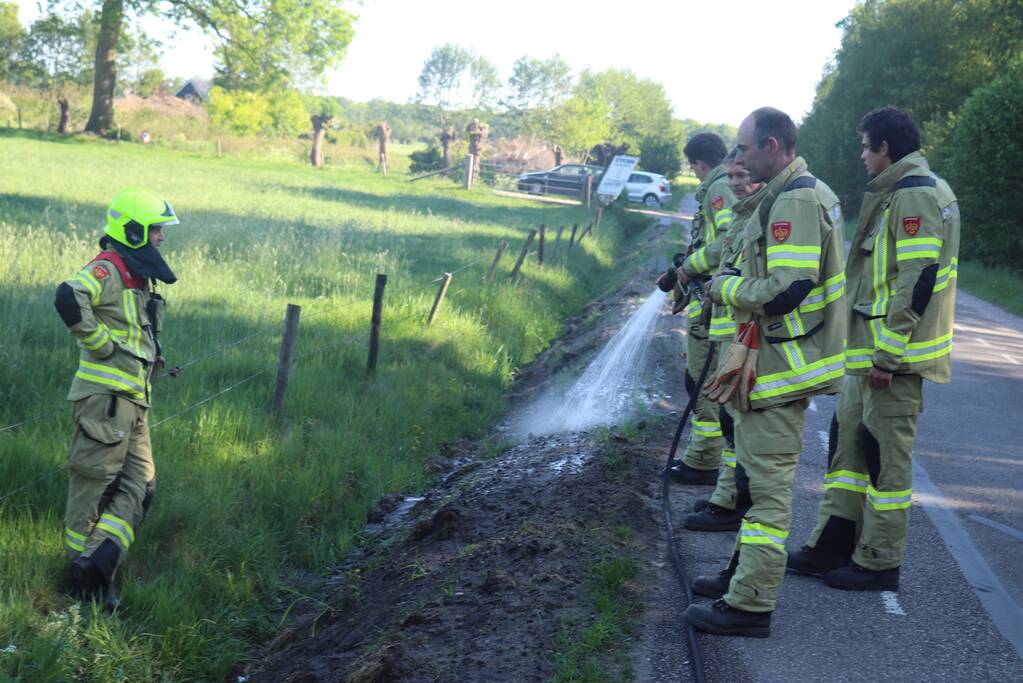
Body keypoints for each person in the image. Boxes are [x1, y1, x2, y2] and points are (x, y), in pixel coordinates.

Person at [682, 107, 846, 637]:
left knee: (769, 493)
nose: (739, 159)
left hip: (780, 370)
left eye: (746, 149)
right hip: (767, 367)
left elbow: (788, 288)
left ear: (774, 147)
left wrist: (723, 289)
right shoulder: (782, 196)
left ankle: (750, 604)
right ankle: (740, 578)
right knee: (753, 484)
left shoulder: (796, 199)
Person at [787, 107, 960, 591]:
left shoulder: (916, 196)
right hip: (868, 357)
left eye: (866, 146)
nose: (862, 155)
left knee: (885, 462)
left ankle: (880, 561)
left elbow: (917, 279)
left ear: (885, 148)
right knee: (848, 453)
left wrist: (887, 355)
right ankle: (833, 546)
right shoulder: (899, 192)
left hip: (891, 360)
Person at [54, 188, 179, 608]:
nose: (161, 237)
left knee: (142, 487)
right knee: (95, 487)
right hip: (104, 402)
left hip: (132, 402)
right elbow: (68, 295)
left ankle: (95, 565)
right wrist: (101, 344)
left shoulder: (134, 274)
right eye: (156, 229)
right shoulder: (107, 268)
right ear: (133, 229)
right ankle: (81, 582)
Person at [682, 150, 764, 531]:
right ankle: (725, 497)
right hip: (731, 328)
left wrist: (715, 283)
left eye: (741, 175)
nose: (733, 184)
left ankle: (731, 504)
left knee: (736, 423)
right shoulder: (745, 214)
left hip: (746, 334)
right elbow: (719, 249)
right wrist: (686, 268)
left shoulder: (766, 214)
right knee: (731, 422)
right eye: (729, 176)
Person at [668, 132, 735, 485]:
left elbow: (728, 239)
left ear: (700, 163)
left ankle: (705, 462)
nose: (694, 173)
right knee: (698, 378)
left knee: (702, 379)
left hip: (713, 303)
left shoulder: (719, 188)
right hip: (707, 299)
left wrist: (692, 264)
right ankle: (701, 456)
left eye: (692, 167)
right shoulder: (720, 186)